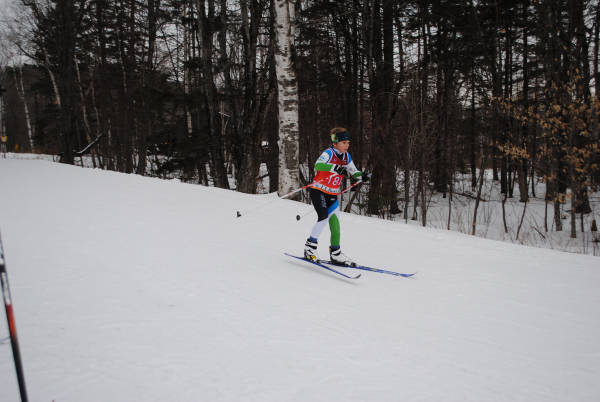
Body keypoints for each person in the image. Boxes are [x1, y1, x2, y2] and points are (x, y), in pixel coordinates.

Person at [303, 127, 370, 266]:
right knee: (323, 218)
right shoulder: (329, 153)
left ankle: (336, 253)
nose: (347, 145)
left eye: (348, 143)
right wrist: (335, 167)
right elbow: (318, 165)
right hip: (318, 191)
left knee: (335, 225)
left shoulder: (347, 157)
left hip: (332, 194)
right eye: (344, 142)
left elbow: (353, 171)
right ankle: (310, 248)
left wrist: (361, 175)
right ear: (335, 143)